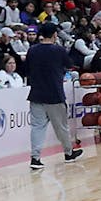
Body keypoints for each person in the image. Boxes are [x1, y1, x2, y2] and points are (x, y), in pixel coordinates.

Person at [27, 22, 82, 171]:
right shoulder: (58, 50)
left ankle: (35, 158)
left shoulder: (32, 50)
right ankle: (68, 153)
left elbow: (28, 69)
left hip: (36, 93)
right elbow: (70, 65)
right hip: (54, 94)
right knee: (61, 127)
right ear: (55, 35)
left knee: (37, 127)